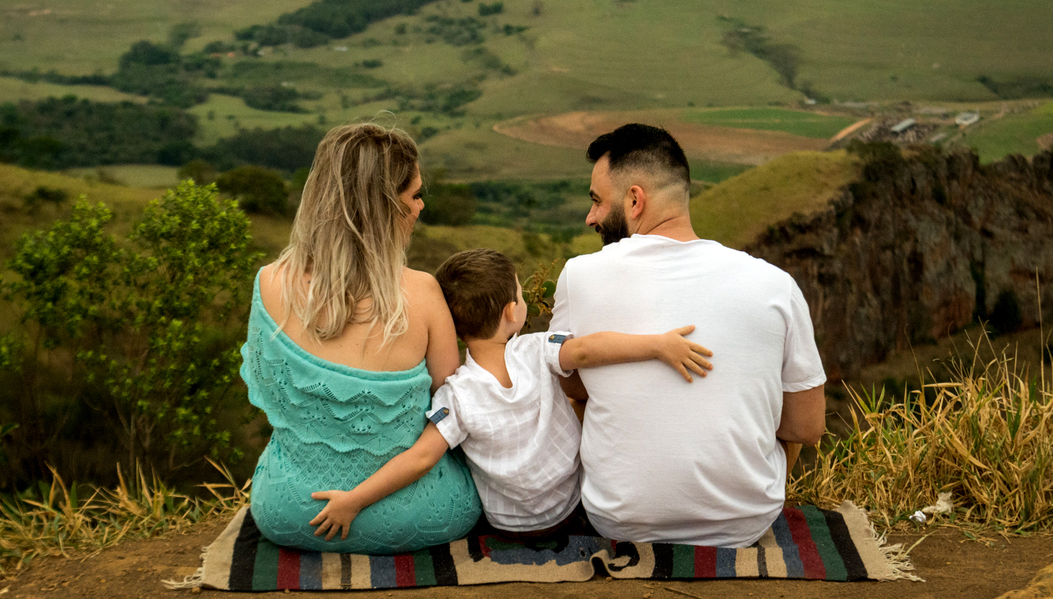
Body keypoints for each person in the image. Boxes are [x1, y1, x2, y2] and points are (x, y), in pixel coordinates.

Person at [308, 248, 714, 541]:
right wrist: (659, 345)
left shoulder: (456, 394)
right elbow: (589, 350)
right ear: (510, 312)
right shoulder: (538, 349)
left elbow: (420, 458)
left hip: (508, 525)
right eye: (520, 295)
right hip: (573, 505)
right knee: (588, 406)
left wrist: (355, 500)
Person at [549, 123, 827, 548]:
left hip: (619, 522)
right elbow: (807, 426)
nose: (590, 217)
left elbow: (569, 383)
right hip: (745, 526)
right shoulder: (775, 285)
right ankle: (735, 493)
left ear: (635, 200)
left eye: (597, 202)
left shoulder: (579, 276)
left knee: (578, 384)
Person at [239, 123, 481, 554]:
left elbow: (275, 400)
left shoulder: (269, 283)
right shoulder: (424, 294)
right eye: (414, 195)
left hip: (289, 514)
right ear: (385, 207)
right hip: (417, 517)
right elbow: (455, 410)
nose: (421, 206)